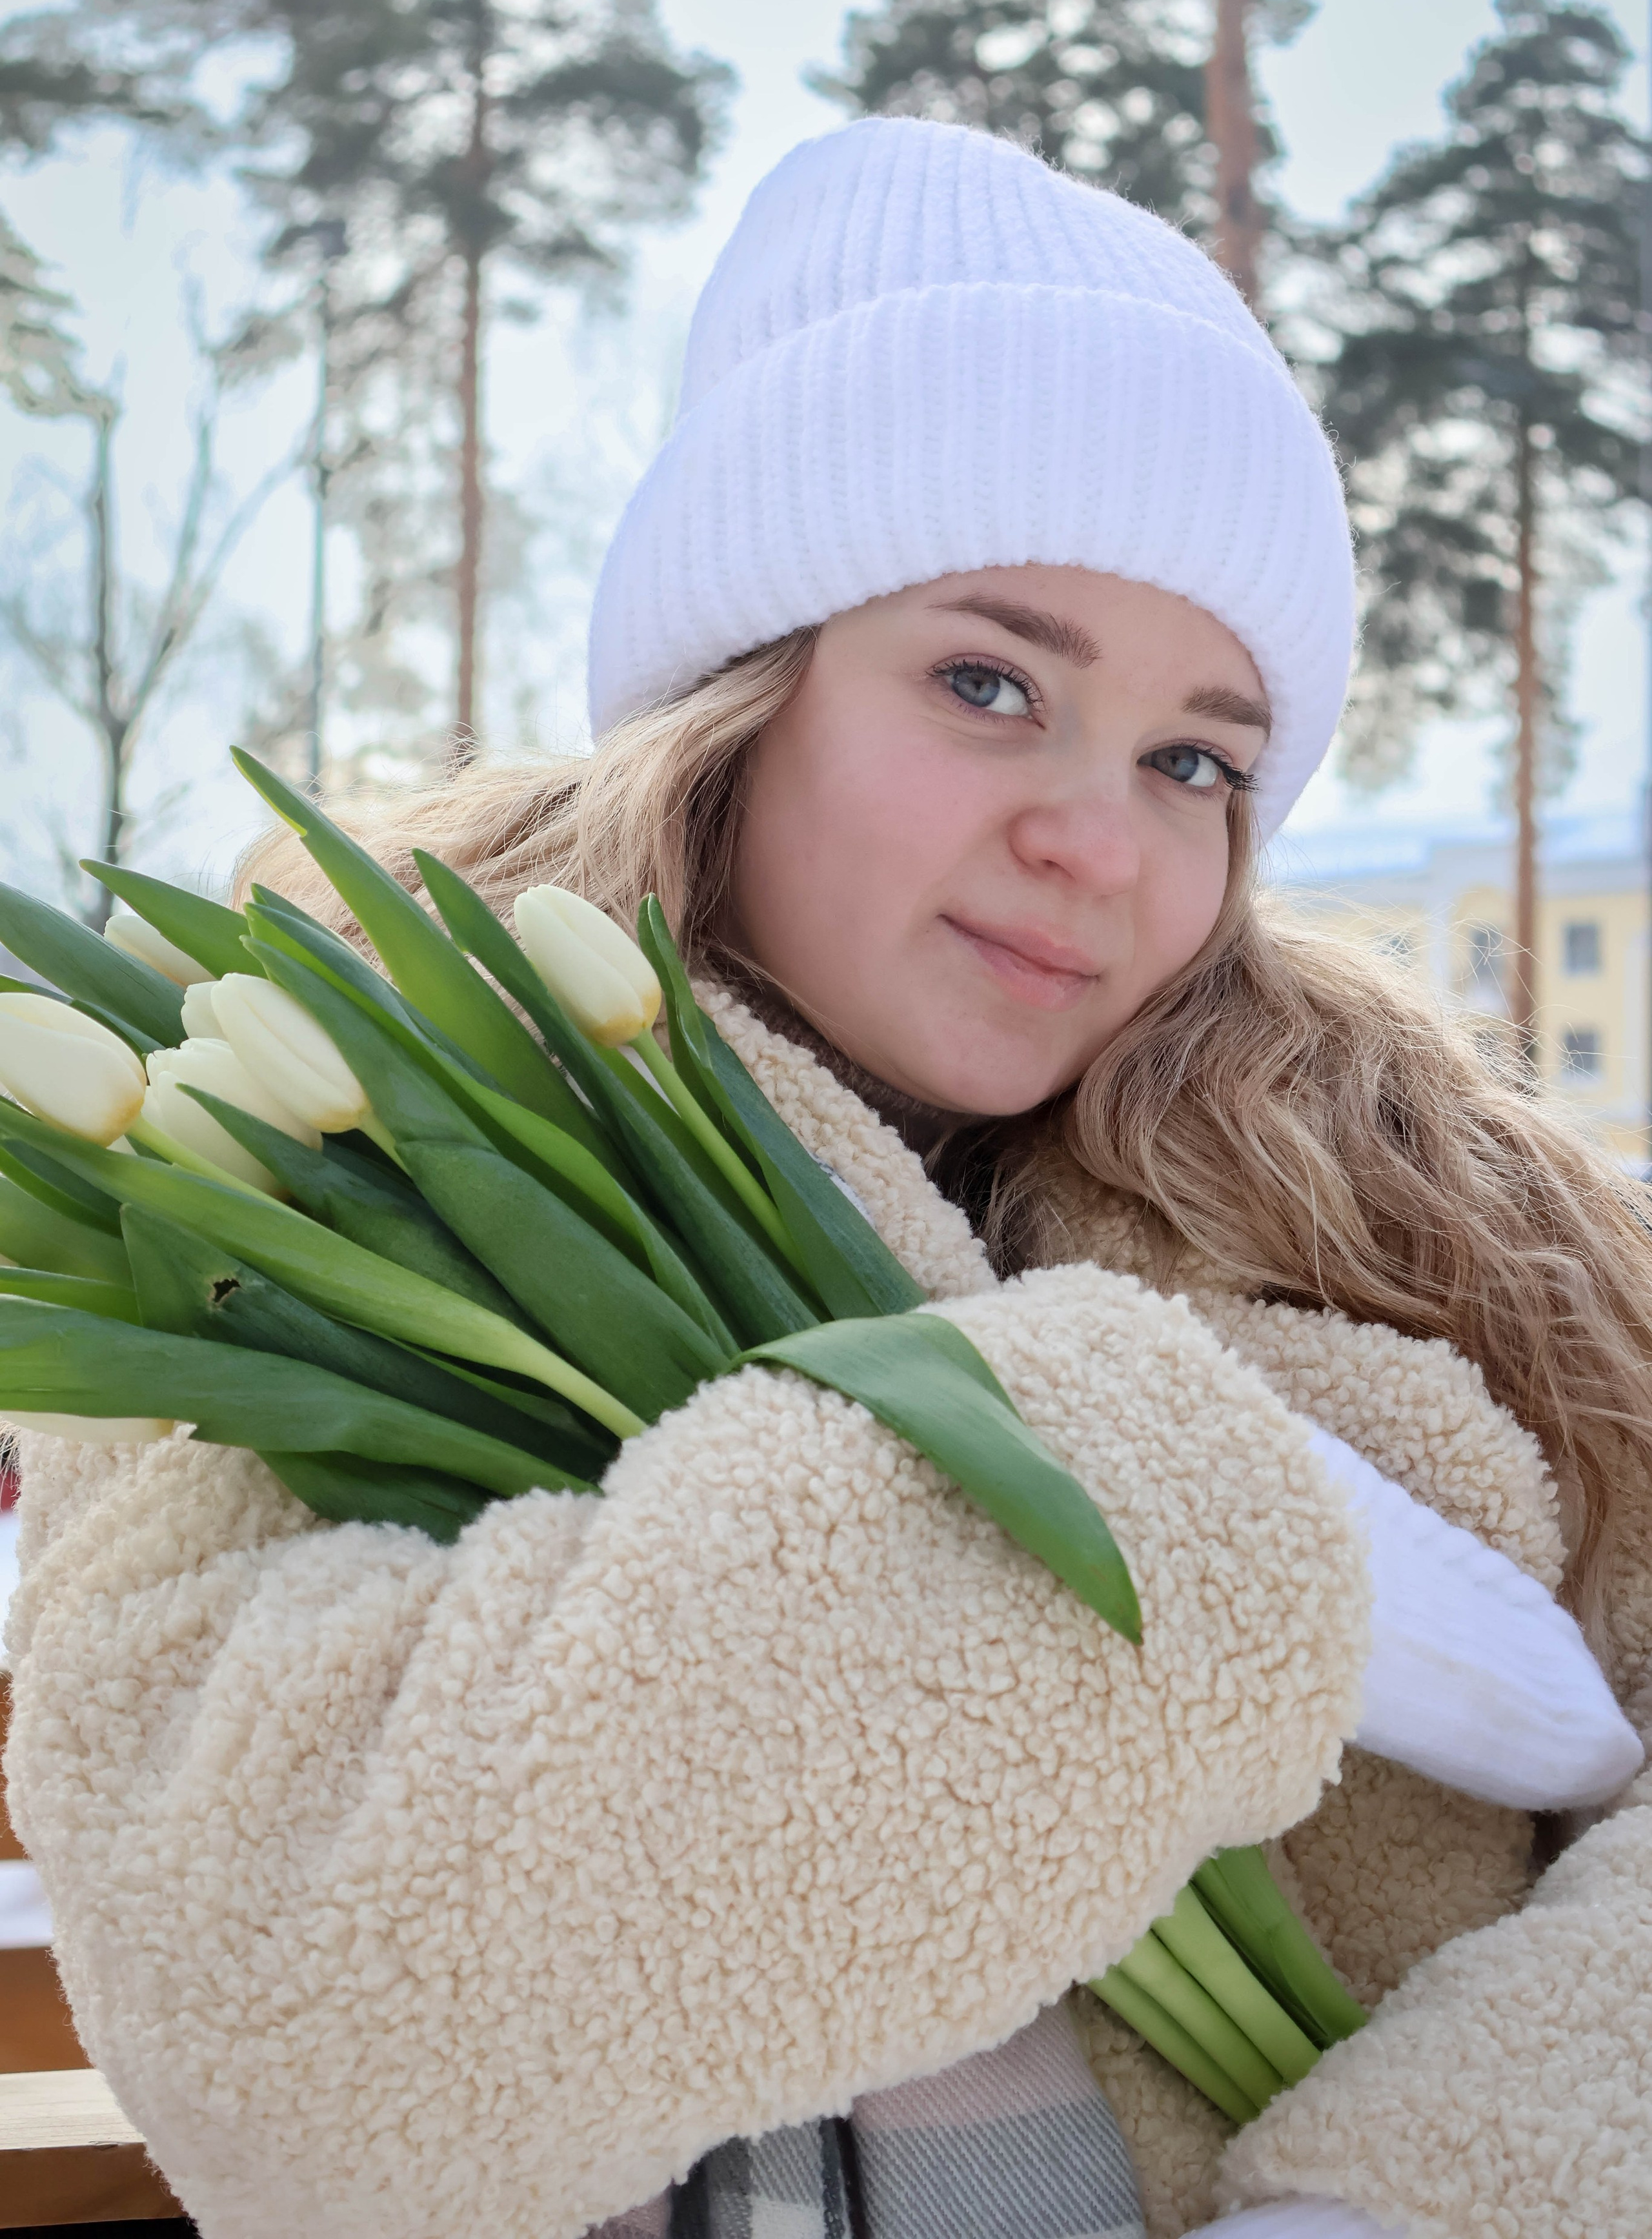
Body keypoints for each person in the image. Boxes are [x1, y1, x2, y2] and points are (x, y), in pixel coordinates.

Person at [7, 118, 1652, 2239]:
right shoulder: (302, 1157)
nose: (1103, 839)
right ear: (744, 690)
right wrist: (1175, 1513)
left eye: (1197, 758)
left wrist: (1423, 2205)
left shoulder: (1441, 1215)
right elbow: (304, 2038)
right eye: (990, 682)